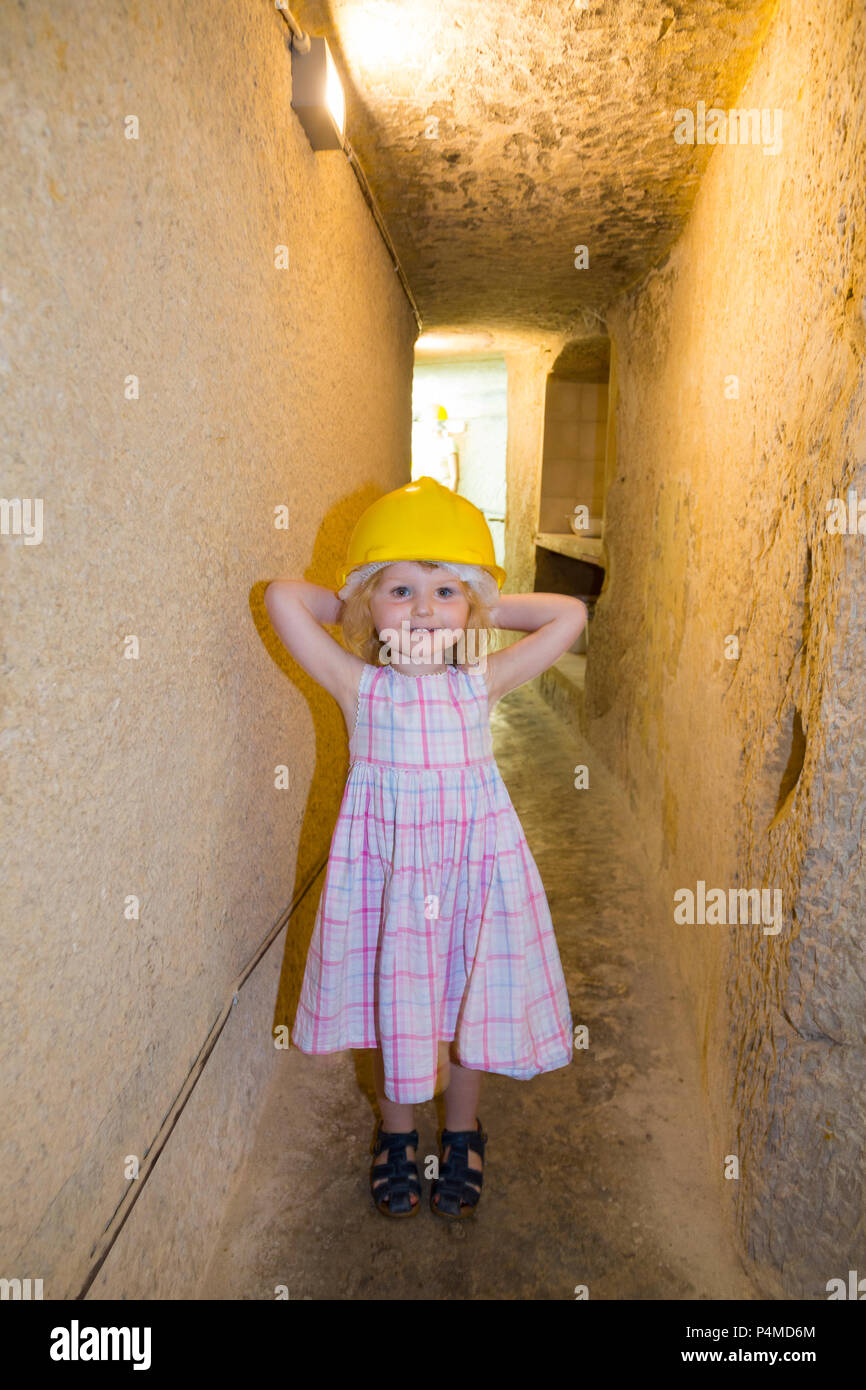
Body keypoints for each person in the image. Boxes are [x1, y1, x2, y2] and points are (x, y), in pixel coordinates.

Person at [263, 476, 585, 1220]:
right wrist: (352, 601)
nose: (423, 609)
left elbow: (568, 614)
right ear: (368, 604)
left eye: (446, 592)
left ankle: (465, 1131)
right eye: (399, 590)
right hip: (391, 880)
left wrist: (486, 603)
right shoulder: (357, 686)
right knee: (399, 1003)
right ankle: (398, 1134)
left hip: (474, 872)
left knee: (466, 1004)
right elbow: (284, 597)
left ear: (471, 608)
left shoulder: (482, 682)